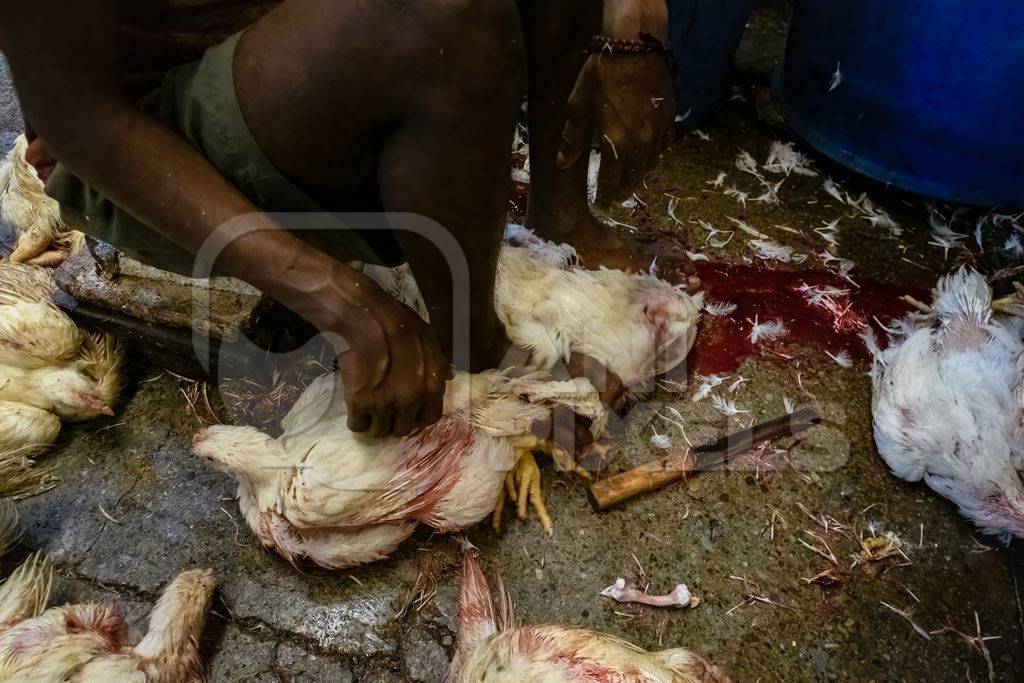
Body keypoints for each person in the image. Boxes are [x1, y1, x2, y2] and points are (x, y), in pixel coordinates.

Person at [0, 0, 676, 440]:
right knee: (441, 16)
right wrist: (336, 295)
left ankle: (560, 210)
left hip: (277, 33)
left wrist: (631, 19)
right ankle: (472, 348)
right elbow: (84, 122)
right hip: (148, 137)